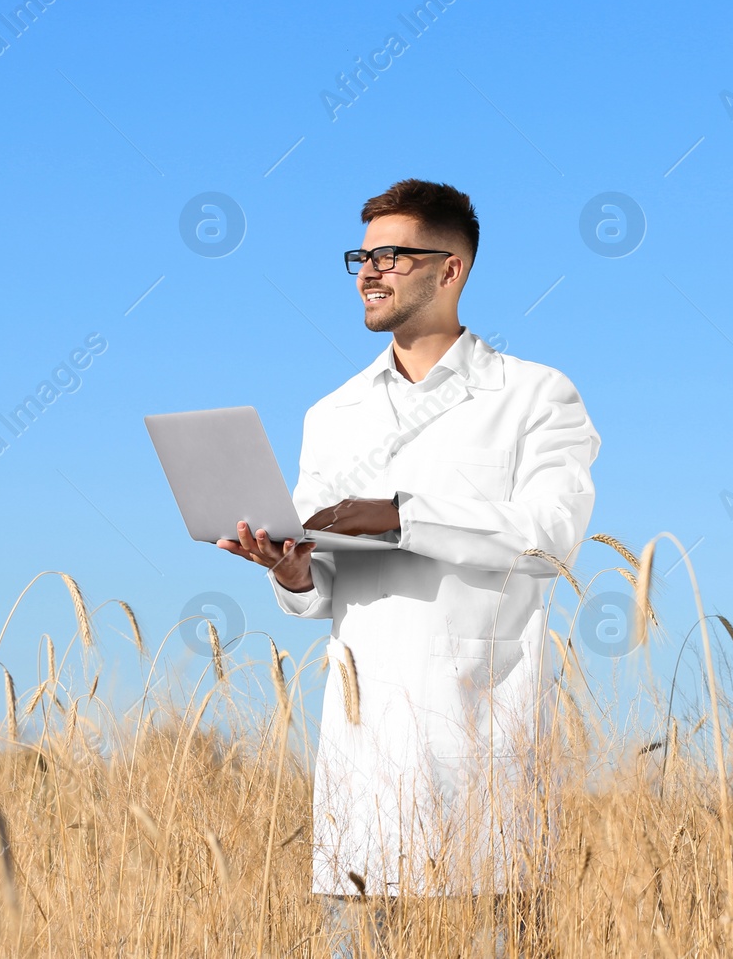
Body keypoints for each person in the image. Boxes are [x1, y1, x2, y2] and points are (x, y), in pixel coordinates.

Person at [218, 179, 599, 955]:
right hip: (363, 766)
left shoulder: (534, 395)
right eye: (362, 254)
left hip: (485, 754)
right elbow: (323, 585)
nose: (369, 270)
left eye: (392, 254)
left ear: (450, 269)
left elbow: (550, 538)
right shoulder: (332, 413)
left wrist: (401, 514)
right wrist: (288, 571)